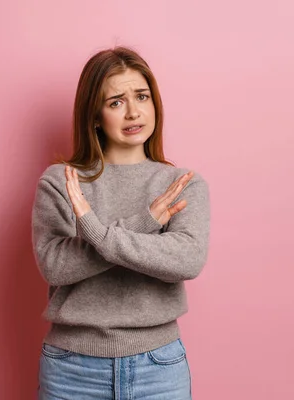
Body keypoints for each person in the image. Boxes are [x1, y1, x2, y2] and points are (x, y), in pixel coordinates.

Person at [31, 46, 211, 399]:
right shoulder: (61, 181)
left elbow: (186, 259)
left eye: (141, 96)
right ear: (94, 115)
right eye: (115, 102)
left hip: (159, 368)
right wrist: (145, 224)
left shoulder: (181, 185)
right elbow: (56, 265)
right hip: (72, 369)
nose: (133, 112)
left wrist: (94, 231)